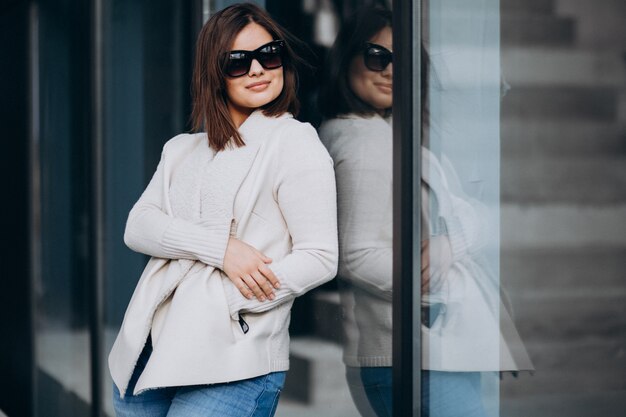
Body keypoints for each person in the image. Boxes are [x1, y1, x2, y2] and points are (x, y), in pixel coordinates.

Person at [108, 3, 338, 416]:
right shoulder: (182, 149)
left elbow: (320, 256)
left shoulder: (294, 142)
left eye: (269, 55)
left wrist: (226, 305)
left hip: (234, 361)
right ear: (214, 71)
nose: (257, 70)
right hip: (146, 352)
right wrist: (221, 248)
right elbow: (138, 226)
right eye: (238, 62)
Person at [318, 5, 532, 417]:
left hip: (429, 348)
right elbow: (355, 256)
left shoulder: (392, 134)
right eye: (377, 56)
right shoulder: (364, 143)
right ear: (346, 58)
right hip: (414, 351)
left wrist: (451, 244)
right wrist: (440, 285)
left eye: (404, 59)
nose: (390, 70)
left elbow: (478, 214)